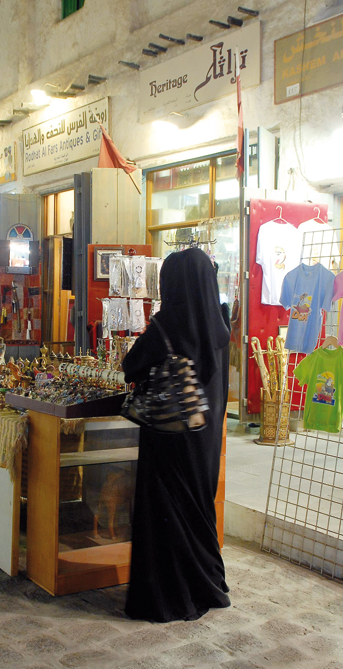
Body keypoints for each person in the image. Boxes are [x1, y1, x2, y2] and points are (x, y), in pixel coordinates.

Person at [121, 248, 230, 623]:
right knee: (199, 510)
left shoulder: (168, 324)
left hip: (169, 437)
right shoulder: (219, 325)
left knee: (166, 515)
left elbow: (130, 365)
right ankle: (207, 584)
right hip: (206, 435)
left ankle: (170, 596)